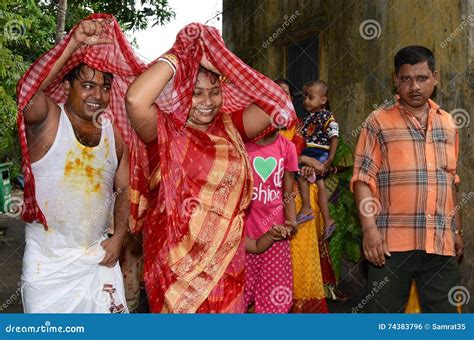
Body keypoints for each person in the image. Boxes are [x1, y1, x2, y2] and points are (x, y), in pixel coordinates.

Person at [125, 23, 296, 313]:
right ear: (180, 94)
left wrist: (221, 60)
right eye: (197, 93)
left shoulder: (230, 128)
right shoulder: (164, 132)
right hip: (176, 271)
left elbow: (279, 105)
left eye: (214, 92)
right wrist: (183, 55)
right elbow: (134, 99)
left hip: (227, 265)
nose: (207, 102)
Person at [16, 16, 144, 313]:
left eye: (105, 87)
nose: (97, 95)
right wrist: (73, 43)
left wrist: (119, 237)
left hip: (99, 262)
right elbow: (26, 96)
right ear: (67, 84)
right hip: (47, 272)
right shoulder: (48, 121)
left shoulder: (115, 137)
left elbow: (123, 189)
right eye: (87, 85)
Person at [352, 45, 463, 313]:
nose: (414, 86)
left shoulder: (448, 123)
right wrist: (369, 231)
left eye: (422, 78)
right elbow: (363, 179)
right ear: (395, 80)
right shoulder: (377, 122)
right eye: (406, 79)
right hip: (390, 246)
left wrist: (456, 231)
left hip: (439, 243)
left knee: (446, 322)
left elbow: (450, 181)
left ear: (435, 78)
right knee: (380, 320)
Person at [244, 129, 298, 313]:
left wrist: (291, 223)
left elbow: (287, 193)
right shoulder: (242, 143)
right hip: (242, 235)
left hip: (276, 236)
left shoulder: (287, 147)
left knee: (274, 300)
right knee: (238, 296)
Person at [296, 81, 338, 241]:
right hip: (310, 153)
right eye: (305, 97)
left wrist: (330, 159)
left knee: (301, 174)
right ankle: (327, 220)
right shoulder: (307, 118)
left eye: (310, 97)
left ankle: (307, 207)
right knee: (318, 183)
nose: (306, 100)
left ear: (323, 100)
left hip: (319, 152)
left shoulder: (326, 116)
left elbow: (334, 137)